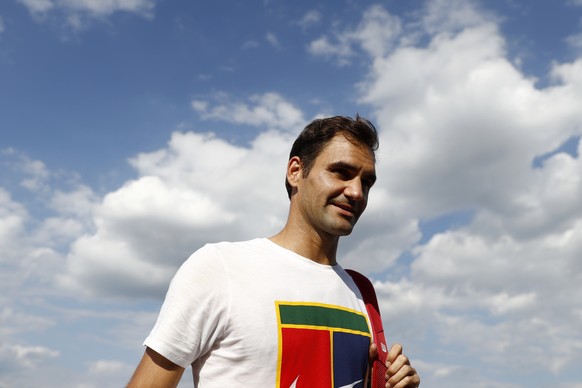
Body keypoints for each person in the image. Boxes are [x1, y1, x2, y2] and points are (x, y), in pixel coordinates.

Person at [128, 115, 420, 388]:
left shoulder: (362, 292)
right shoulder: (220, 267)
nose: (356, 192)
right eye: (341, 172)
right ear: (295, 171)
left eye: (366, 182)